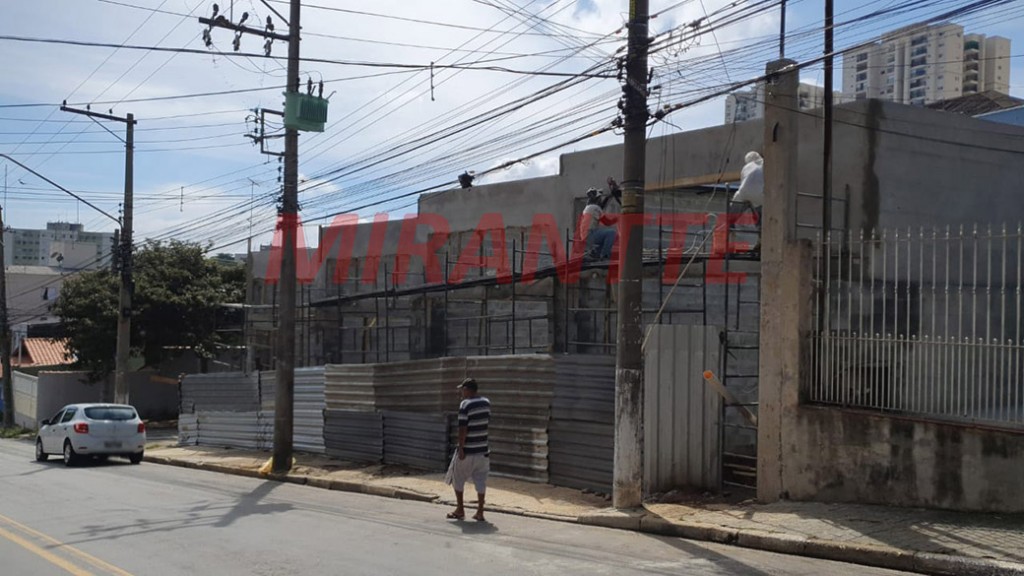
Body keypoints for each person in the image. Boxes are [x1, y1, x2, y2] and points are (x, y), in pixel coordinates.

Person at [446, 377, 491, 522]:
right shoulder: (486, 403)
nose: (461, 393)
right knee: (481, 481)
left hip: (468, 450)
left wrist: (461, 448)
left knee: (457, 478)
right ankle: (480, 512)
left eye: (462, 390)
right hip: (483, 451)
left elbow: (463, 429)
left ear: (467, 390)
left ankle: (460, 509)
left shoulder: (465, 404)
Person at [578, 188, 618, 261]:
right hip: (590, 234)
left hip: (585, 235)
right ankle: (605, 254)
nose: (600, 200)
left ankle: (596, 254)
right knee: (611, 233)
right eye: (599, 198)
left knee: (604, 237)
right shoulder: (595, 208)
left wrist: (608, 198)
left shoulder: (588, 208)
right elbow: (607, 222)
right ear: (597, 199)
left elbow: (601, 207)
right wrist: (616, 219)